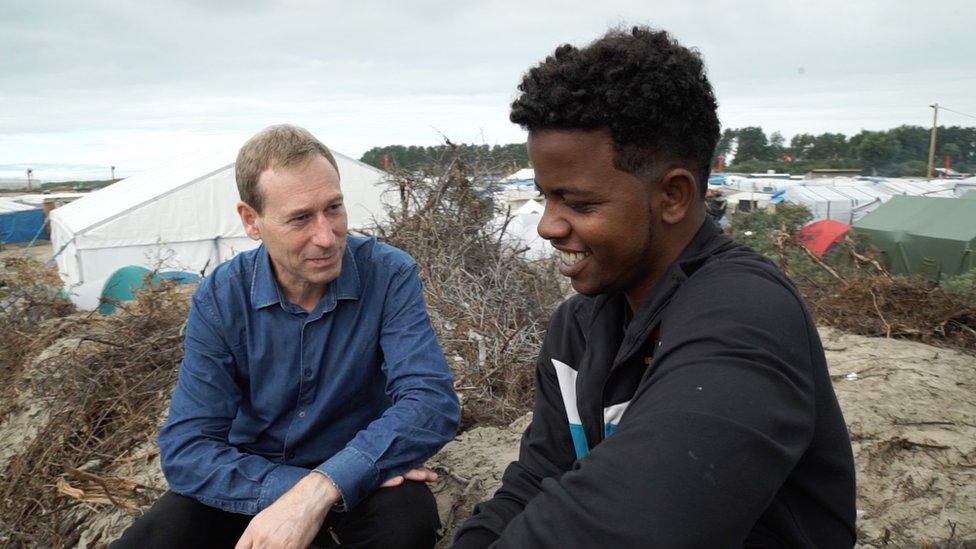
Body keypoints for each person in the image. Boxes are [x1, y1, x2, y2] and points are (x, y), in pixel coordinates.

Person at [453, 27, 856, 548]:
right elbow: (535, 482)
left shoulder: (748, 315)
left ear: (673, 195)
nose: (547, 226)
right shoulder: (578, 330)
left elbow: (635, 522)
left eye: (577, 203)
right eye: (544, 197)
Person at [113, 124, 460, 548]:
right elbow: (187, 446)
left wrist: (328, 486)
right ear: (250, 220)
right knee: (152, 539)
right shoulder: (222, 297)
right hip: (252, 476)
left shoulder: (388, 274)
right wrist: (298, 493)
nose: (326, 236)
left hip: (365, 471)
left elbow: (430, 401)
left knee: (406, 527)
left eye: (333, 208)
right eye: (300, 218)